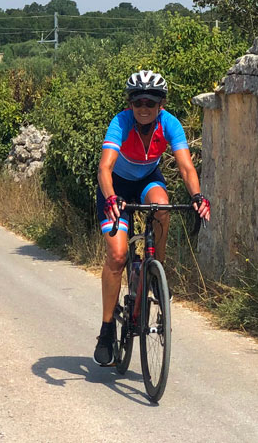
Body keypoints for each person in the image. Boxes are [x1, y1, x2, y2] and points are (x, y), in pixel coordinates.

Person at [93, 69, 211, 366]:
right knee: (118, 256)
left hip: (147, 179)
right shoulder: (120, 122)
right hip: (116, 188)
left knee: (162, 205)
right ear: (129, 104)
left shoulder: (169, 123)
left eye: (151, 102)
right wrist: (110, 198)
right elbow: (105, 168)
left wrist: (197, 197)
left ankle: (157, 268)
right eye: (138, 102)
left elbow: (185, 167)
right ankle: (107, 329)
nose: (144, 108)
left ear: (162, 104)